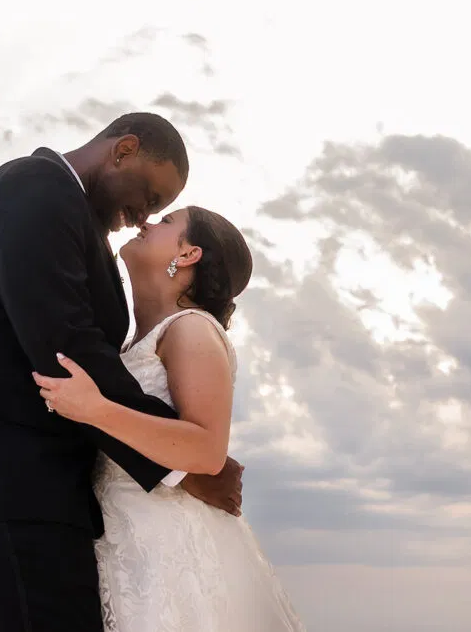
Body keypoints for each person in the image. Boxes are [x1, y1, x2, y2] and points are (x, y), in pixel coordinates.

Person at [0, 113, 244, 632]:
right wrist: (181, 467)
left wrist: (180, 455)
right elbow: (64, 345)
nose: (143, 216)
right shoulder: (37, 188)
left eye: (159, 211)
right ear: (123, 150)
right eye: (150, 196)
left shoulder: (70, 214)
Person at [33, 206, 306, 632]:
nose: (146, 222)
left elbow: (207, 450)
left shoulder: (191, 328)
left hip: (168, 550)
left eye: (165, 222)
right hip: (121, 542)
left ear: (189, 254)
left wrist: (96, 410)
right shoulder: (131, 342)